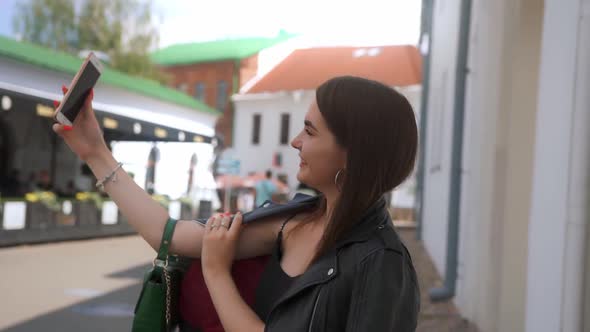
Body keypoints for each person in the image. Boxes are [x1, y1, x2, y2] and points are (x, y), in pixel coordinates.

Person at [52, 75, 420, 331]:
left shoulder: (383, 264)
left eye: (309, 131)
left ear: (351, 154)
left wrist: (216, 273)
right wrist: (95, 150)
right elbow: (172, 236)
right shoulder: (295, 219)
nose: (295, 142)